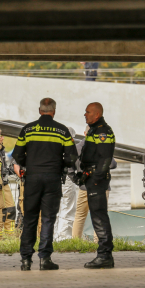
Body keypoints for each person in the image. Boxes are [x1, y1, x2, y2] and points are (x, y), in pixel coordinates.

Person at [12, 98, 78, 271]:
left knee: (30, 218)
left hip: (32, 178)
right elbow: (72, 158)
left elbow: (17, 155)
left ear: (39, 110)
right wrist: (60, 165)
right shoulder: (62, 131)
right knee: (48, 219)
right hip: (53, 178)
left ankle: (26, 260)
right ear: (54, 111)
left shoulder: (27, 129)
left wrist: (31, 164)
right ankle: (45, 259)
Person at [78, 102, 115, 268]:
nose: (84, 115)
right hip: (92, 178)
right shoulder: (94, 129)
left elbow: (105, 158)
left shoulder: (103, 132)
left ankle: (105, 255)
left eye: (87, 112)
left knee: (99, 218)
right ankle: (103, 254)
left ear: (97, 115)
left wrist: (96, 178)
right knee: (96, 217)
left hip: (97, 180)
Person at [72, 130, 116, 240]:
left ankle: (75, 242)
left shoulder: (77, 148)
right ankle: (99, 242)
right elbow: (113, 164)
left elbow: (69, 167)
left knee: (80, 216)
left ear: (84, 133)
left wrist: (77, 180)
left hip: (84, 187)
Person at [53, 126, 80, 241]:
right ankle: (64, 237)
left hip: (54, 179)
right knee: (68, 207)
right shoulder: (70, 147)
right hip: (67, 179)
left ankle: (53, 236)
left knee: (55, 209)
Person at [0, 132, 17, 235]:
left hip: (4, 182)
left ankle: (10, 233)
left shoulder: (1, 149)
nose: (2, 138)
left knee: (10, 209)